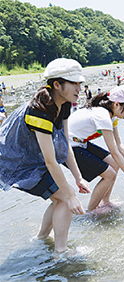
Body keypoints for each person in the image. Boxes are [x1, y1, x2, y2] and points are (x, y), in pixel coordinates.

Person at [0, 58, 90, 254]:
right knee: (65, 199)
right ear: (57, 84)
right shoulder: (39, 111)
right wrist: (71, 194)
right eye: (74, 83)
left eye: (80, 83)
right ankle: (61, 252)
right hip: (16, 163)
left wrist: (78, 177)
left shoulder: (64, 105)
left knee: (59, 197)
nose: (79, 88)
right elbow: (50, 161)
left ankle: (40, 239)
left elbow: (65, 144)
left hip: (34, 159)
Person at [67, 86, 124, 214]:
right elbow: (114, 151)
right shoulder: (102, 115)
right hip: (68, 147)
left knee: (114, 164)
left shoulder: (112, 117)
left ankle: (105, 201)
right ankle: (91, 211)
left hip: (81, 143)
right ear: (116, 104)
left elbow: (119, 145)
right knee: (109, 174)